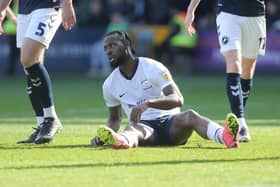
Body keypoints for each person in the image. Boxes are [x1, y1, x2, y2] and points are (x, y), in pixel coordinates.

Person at [90, 31, 240, 149]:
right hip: (144, 128)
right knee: (132, 129)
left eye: (113, 45)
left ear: (127, 45)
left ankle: (226, 136)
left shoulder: (153, 67)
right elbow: (115, 119)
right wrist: (105, 135)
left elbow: (177, 99)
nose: (108, 51)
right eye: (106, 48)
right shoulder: (109, 85)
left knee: (190, 115)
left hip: (172, 124)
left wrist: (148, 103)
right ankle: (121, 141)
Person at [185, 0, 267, 142]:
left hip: (256, 14)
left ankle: (237, 117)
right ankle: (241, 124)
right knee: (234, 61)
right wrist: (191, 9)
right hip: (228, 13)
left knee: (247, 71)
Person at [0, 0, 76, 144]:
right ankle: (42, 124)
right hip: (24, 9)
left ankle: (51, 118)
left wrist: (67, 4)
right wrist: (2, 9)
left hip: (48, 6)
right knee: (30, 66)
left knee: (28, 59)